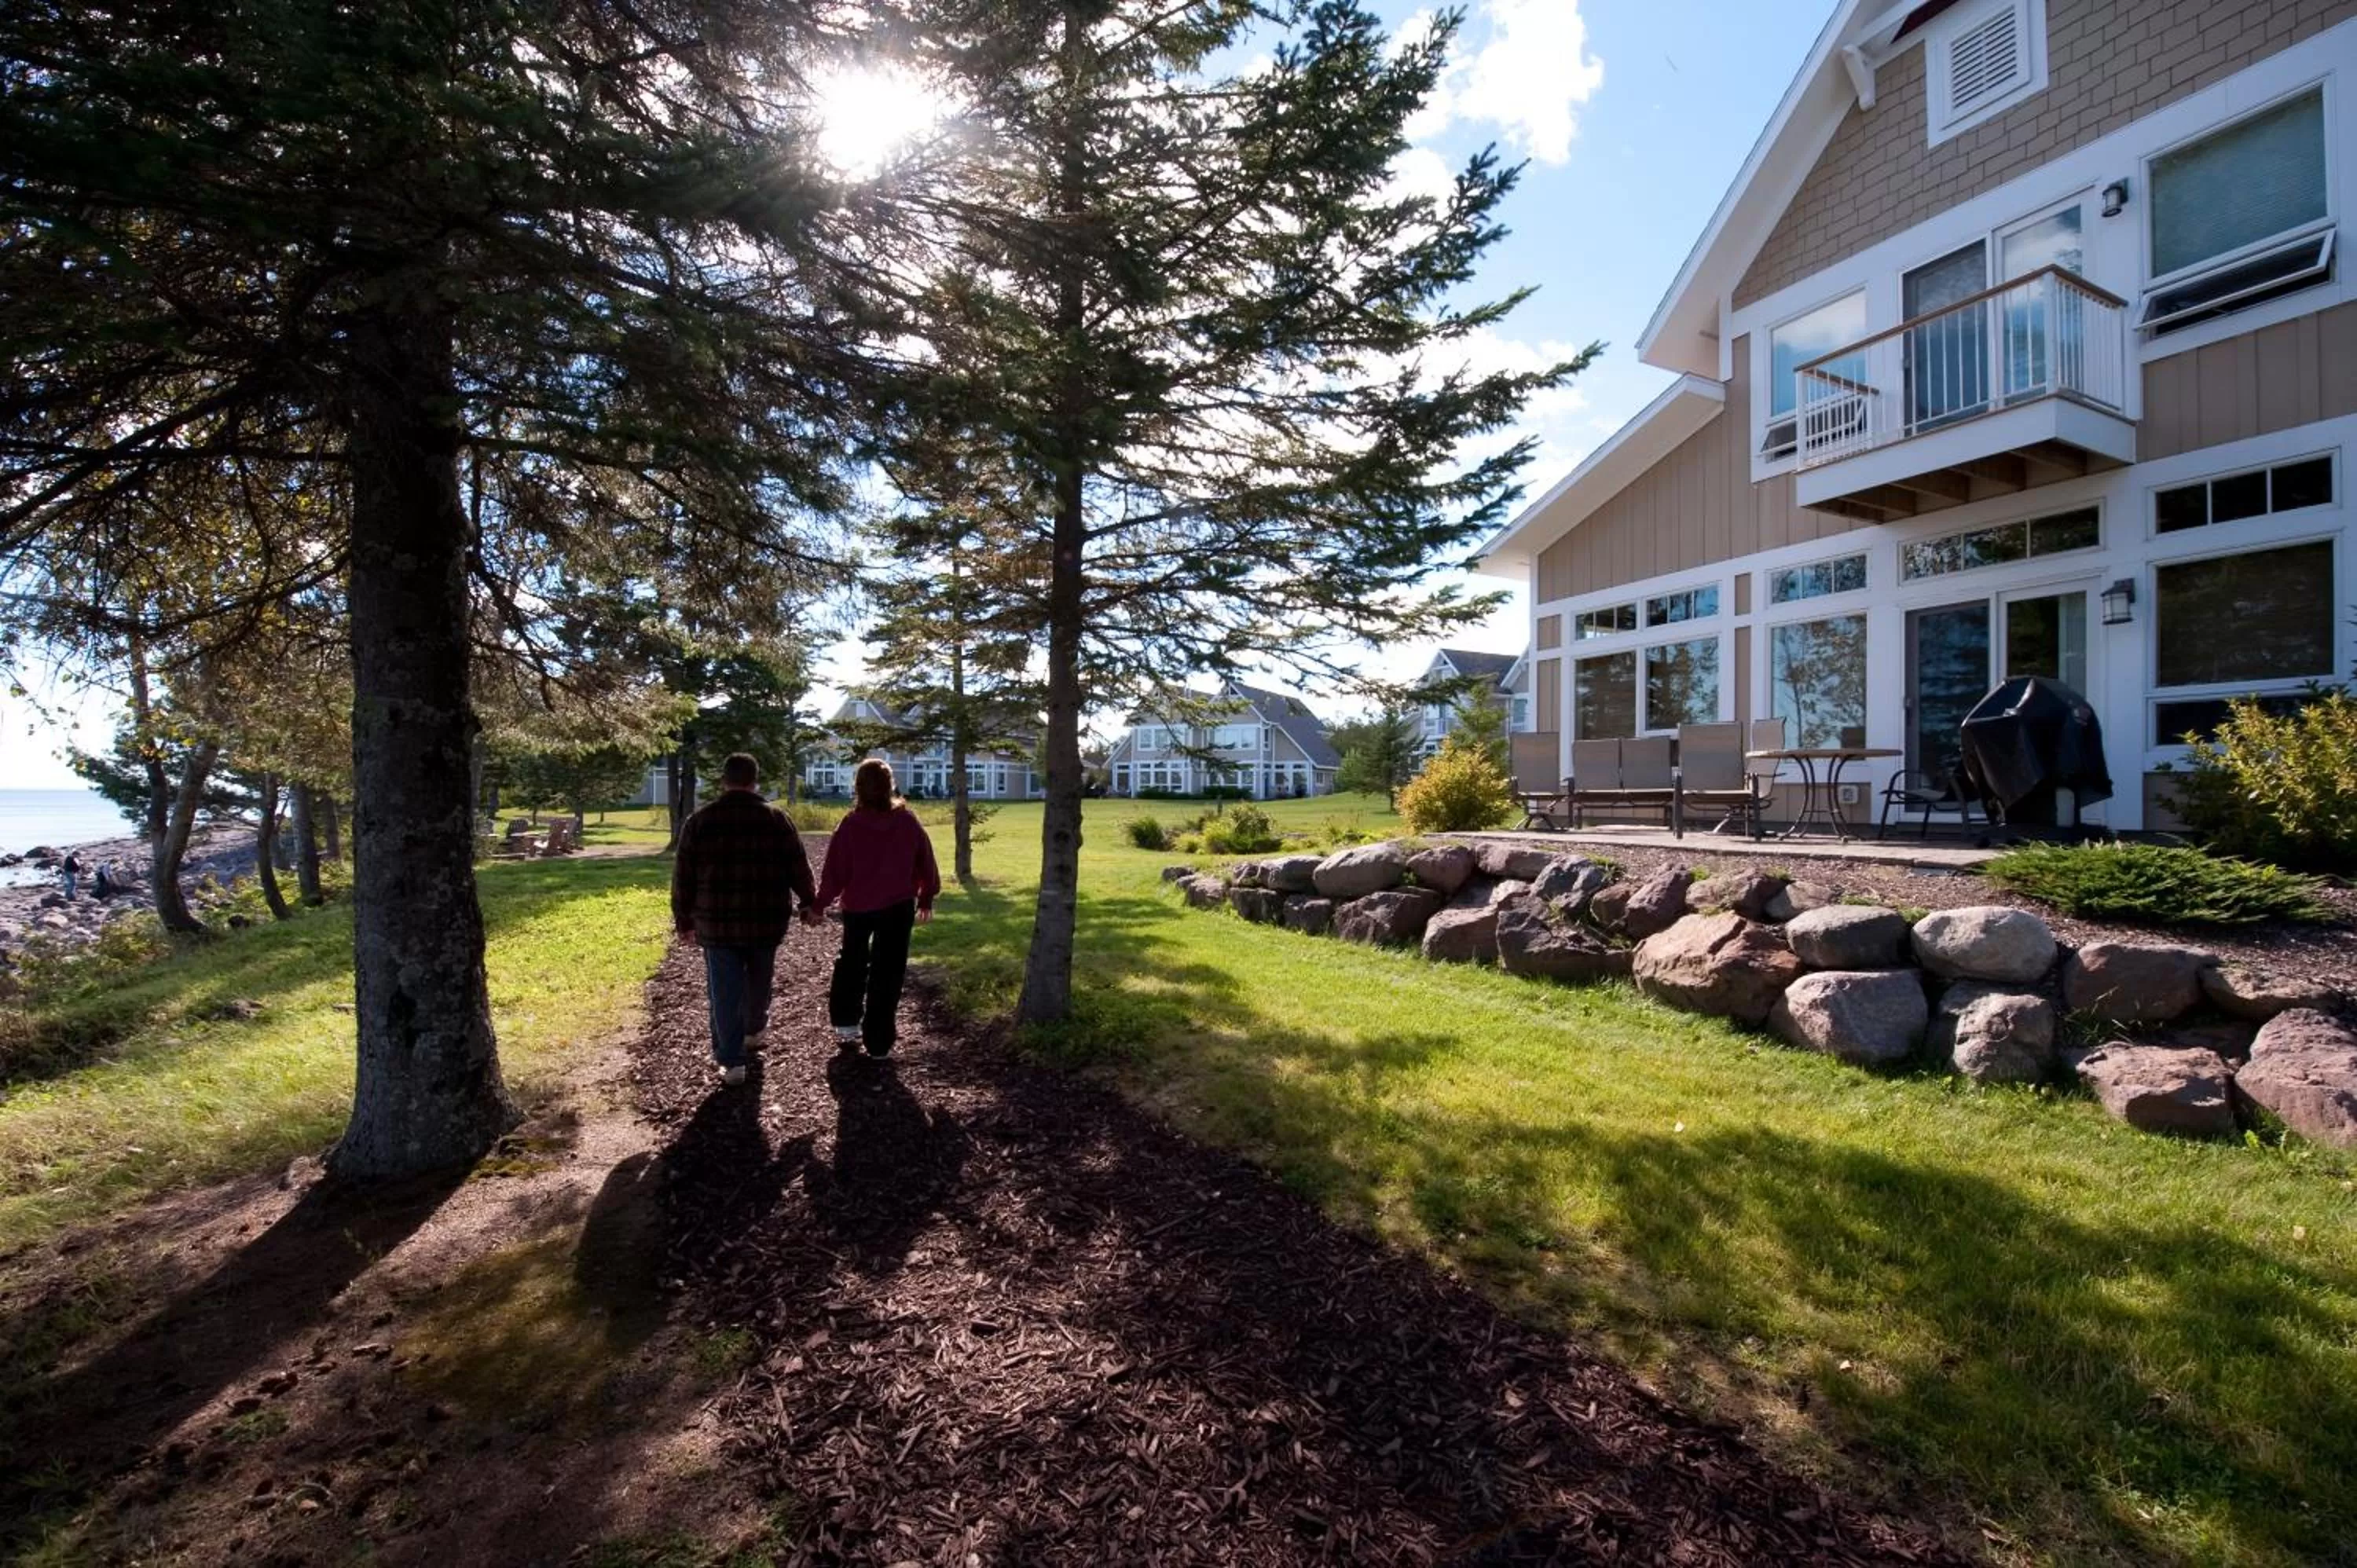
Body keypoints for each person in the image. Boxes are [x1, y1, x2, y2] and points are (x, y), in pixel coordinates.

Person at [670, 753, 817, 1086]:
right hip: (765, 920)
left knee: (724, 991)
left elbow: (683, 877)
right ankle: (753, 1029)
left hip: (716, 922)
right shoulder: (777, 819)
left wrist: (684, 920)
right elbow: (798, 866)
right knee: (759, 981)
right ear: (755, 781)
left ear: (724, 780)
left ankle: (732, 1060)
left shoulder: (700, 821)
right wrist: (809, 901)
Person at [813, 758, 941, 1060]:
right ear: (890, 785)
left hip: (859, 905)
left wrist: (819, 905)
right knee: (889, 970)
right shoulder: (907, 821)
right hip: (898, 906)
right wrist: (926, 896)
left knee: (852, 961)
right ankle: (879, 1041)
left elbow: (835, 872)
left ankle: (846, 1023)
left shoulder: (850, 825)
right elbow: (926, 860)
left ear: (857, 788)